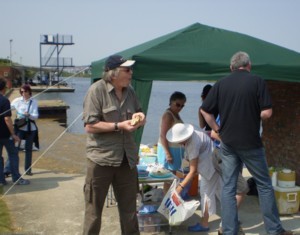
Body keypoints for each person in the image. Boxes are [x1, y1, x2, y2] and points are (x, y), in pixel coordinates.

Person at [201, 51, 293, 235]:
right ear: (249, 66)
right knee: (264, 185)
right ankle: (274, 230)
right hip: (251, 142)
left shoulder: (220, 84)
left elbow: (205, 111)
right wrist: (253, 114)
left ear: (231, 67)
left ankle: (228, 230)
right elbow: (267, 113)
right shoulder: (257, 81)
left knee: (228, 187)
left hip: (227, 143)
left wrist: (217, 129)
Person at [82, 54, 146, 235]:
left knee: (130, 212)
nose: (131, 73)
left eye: (131, 69)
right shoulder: (96, 90)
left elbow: (139, 112)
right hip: (101, 160)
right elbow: (90, 125)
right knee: (93, 212)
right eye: (127, 70)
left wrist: (140, 118)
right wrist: (118, 126)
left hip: (127, 160)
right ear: (114, 73)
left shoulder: (130, 91)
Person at [166, 123, 221, 232]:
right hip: (216, 161)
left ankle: (204, 224)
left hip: (209, 167)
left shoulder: (192, 144)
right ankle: (234, 217)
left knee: (206, 195)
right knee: (222, 192)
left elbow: (192, 171)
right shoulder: (194, 131)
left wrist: (180, 187)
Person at [0, 77, 30, 185]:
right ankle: (16, 178)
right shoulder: (4, 101)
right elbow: (7, 119)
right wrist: (13, 134)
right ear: (3, 89)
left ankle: (1, 180)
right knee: (13, 154)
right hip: (4, 134)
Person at [4, 84, 39, 176]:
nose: (23, 93)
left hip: (31, 129)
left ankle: (28, 170)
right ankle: (7, 170)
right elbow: (8, 108)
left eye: (25, 91)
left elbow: (36, 116)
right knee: (14, 149)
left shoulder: (34, 101)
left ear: (29, 92)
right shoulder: (17, 101)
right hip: (19, 129)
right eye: (22, 92)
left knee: (28, 149)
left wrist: (29, 115)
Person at [157, 91, 186, 193]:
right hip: (169, 149)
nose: (180, 108)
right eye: (177, 105)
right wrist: (168, 154)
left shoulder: (176, 114)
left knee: (172, 176)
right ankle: (167, 201)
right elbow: (162, 135)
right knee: (169, 178)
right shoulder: (168, 115)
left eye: (182, 106)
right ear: (171, 102)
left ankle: (169, 200)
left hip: (176, 149)